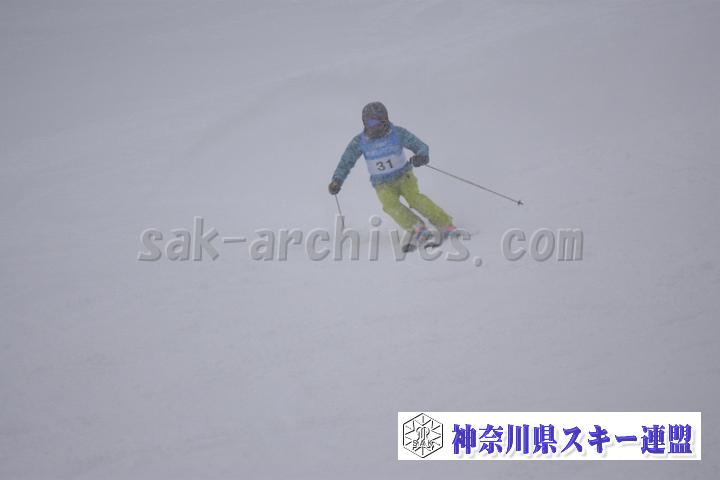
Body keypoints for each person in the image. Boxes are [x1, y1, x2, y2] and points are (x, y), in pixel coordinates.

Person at [328, 102, 457, 248]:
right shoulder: (359, 142)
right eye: (369, 123)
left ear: (384, 120)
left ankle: (445, 224)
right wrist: (337, 180)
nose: (373, 127)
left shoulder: (397, 133)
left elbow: (420, 145)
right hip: (381, 184)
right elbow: (346, 161)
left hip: (404, 176)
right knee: (390, 206)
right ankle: (418, 229)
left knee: (414, 199)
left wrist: (421, 155)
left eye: (376, 122)